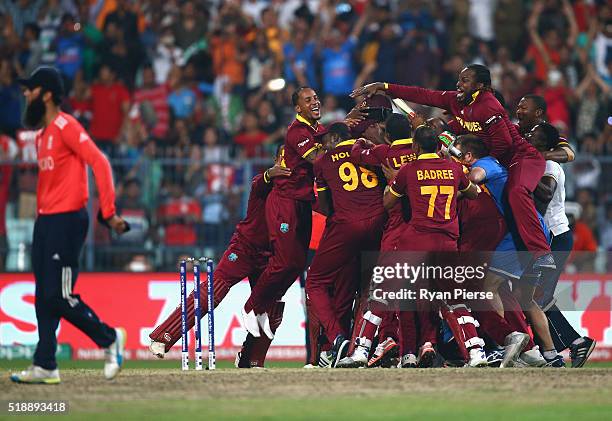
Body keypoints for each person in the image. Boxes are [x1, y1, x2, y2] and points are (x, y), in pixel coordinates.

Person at [351, 64, 555, 274]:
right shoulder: (457, 102)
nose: (459, 84)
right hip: (494, 166)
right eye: (459, 79)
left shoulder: (488, 105)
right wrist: (384, 86)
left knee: (515, 192)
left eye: (465, 80)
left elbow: (505, 144)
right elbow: (423, 94)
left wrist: (484, 162)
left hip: (521, 157)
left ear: (481, 86)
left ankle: (542, 253)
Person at [10, 67, 129, 384]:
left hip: (68, 220)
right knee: (42, 296)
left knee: (57, 295)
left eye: (31, 89)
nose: (25, 94)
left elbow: (99, 162)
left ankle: (109, 339)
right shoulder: (42, 135)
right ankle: (46, 363)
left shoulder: (66, 126)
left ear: (46, 94)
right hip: (46, 221)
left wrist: (108, 212)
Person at [337, 126, 484, 368]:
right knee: (454, 299)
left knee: (384, 294)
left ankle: (361, 351)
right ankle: (477, 352)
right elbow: (472, 193)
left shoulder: (409, 170)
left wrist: (395, 183)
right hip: (447, 243)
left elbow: (388, 202)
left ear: (415, 147)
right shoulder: (453, 168)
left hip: (415, 241)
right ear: (438, 147)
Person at [149, 147, 291, 368]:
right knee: (213, 291)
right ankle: (163, 337)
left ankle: (251, 359)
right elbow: (258, 184)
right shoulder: (264, 181)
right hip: (245, 247)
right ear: (276, 160)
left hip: (272, 254)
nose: (287, 162)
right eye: (284, 157)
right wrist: (269, 174)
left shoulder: (299, 190)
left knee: (271, 307)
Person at [241, 86, 326, 339]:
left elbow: (329, 137)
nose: (315, 102)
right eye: (308, 100)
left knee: (297, 264)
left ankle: (264, 307)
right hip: (285, 203)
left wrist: (348, 125)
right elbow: (318, 159)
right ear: (298, 108)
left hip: (302, 204)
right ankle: (251, 307)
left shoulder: (316, 131)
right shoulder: (297, 132)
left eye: (316, 97)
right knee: (282, 262)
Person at [305, 122, 387, 367]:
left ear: (334, 138)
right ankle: (361, 346)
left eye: (323, 140)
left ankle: (337, 339)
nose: (321, 145)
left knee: (315, 281)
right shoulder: (371, 149)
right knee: (367, 289)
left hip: (347, 225)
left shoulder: (323, 162)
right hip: (380, 222)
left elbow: (326, 207)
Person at [528, 123, 596, 368]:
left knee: (537, 296)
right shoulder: (541, 161)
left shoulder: (549, 166)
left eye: (533, 136)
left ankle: (571, 343)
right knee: (537, 296)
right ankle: (573, 343)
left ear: (545, 144)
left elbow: (545, 195)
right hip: (550, 236)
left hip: (553, 237)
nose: (528, 137)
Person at [515, 94, 575, 163]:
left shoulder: (548, 132)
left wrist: (536, 156)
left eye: (523, 108)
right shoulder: (515, 129)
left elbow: (569, 154)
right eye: (518, 108)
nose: (518, 111)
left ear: (538, 112)